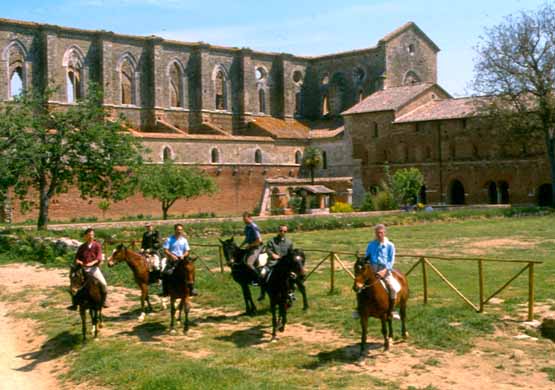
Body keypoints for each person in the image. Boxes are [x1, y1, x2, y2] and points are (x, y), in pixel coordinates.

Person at [67, 228, 108, 310]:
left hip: (93, 269)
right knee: (74, 284)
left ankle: (104, 301)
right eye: (89, 235)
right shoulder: (82, 247)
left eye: (92, 235)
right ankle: (74, 303)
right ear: (85, 236)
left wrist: (92, 263)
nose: (91, 237)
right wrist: (79, 261)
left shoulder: (97, 245)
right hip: (82, 269)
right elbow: (77, 258)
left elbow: (99, 258)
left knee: (104, 284)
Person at [365, 223, 399, 318]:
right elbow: (367, 257)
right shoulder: (371, 245)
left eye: (381, 233)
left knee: (392, 288)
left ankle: (392, 310)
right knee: (361, 287)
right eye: (377, 233)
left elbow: (391, 260)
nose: (379, 235)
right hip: (373, 269)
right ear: (375, 233)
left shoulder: (390, 245)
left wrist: (385, 271)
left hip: (385, 270)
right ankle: (359, 309)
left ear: (385, 233)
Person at [162, 223, 197, 296]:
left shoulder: (184, 240)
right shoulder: (169, 239)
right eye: (178, 230)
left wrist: (183, 255)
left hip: (182, 259)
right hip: (172, 259)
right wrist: (171, 255)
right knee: (165, 273)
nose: (179, 231)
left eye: (181, 230)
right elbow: (165, 250)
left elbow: (187, 251)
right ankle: (165, 290)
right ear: (175, 230)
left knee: (190, 270)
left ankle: (191, 289)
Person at [240, 212, 264, 281]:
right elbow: (247, 239)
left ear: (250, 218)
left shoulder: (254, 227)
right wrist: (240, 245)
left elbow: (259, 240)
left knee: (249, 263)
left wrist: (250, 245)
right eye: (243, 219)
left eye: (245, 219)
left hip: (257, 247)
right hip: (251, 246)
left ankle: (259, 278)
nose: (244, 221)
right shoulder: (247, 227)